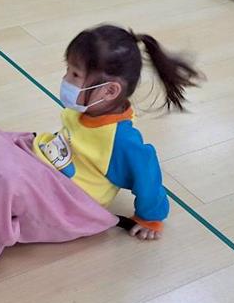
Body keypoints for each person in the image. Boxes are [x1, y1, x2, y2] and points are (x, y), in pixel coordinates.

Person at [32, 24, 202, 240]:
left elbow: (147, 175)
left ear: (110, 90)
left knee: (3, 186)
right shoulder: (83, 109)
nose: (65, 79)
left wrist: (150, 217)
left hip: (66, 199)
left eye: (75, 74)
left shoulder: (121, 141)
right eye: (67, 70)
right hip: (45, 167)